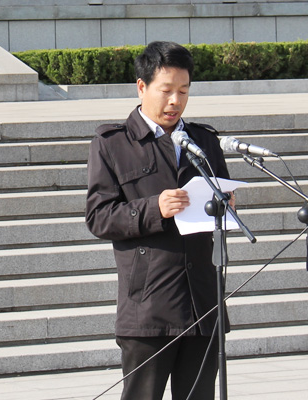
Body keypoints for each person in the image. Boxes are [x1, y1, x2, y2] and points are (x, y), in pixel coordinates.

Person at [86, 41, 233, 400]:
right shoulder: (113, 143)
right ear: (142, 87)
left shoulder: (203, 141)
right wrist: (155, 208)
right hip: (148, 307)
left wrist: (226, 203)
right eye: (166, 90)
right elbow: (99, 216)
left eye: (184, 91)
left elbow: (221, 200)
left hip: (203, 301)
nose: (175, 101)